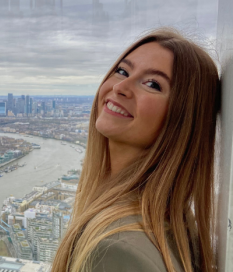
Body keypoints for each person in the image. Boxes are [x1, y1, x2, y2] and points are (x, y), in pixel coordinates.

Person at [51, 28, 221, 272]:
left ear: (183, 119)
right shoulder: (174, 222)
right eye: (122, 71)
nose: (121, 87)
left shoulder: (115, 249)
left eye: (152, 84)